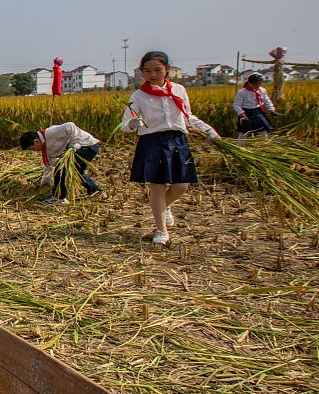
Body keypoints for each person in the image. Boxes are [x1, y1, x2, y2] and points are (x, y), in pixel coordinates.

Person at [121, 50, 219, 247]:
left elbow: (187, 115)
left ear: (166, 70)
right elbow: (126, 122)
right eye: (147, 71)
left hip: (177, 140)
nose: (153, 74)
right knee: (156, 186)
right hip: (151, 141)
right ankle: (161, 231)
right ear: (142, 73)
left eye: (158, 69)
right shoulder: (138, 96)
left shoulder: (179, 90)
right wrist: (133, 124)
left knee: (181, 186)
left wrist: (208, 129)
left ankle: (165, 208)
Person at [19, 124, 104, 204]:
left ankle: (59, 198)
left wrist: (74, 143)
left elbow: (70, 126)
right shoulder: (47, 150)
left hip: (87, 146)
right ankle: (96, 192)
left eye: (33, 148)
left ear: (36, 141)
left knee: (61, 168)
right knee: (77, 173)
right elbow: (50, 166)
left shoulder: (51, 133)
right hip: (84, 149)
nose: (35, 151)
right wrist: (45, 182)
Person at [234, 73, 277, 141]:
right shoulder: (242, 92)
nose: (257, 86)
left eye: (259, 84)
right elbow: (236, 105)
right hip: (246, 112)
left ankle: (265, 146)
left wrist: (271, 109)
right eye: (255, 84)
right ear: (249, 83)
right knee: (244, 132)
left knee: (262, 130)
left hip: (258, 111)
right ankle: (239, 146)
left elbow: (266, 100)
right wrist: (241, 114)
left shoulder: (262, 90)